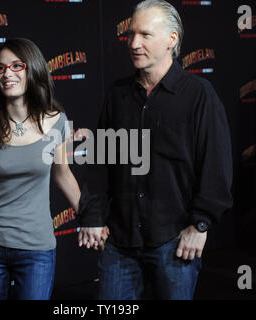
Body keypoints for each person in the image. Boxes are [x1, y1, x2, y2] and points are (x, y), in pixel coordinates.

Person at [78, 0, 233, 300]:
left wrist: (200, 225)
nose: (134, 43)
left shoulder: (199, 95)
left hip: (174, 242)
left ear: (171, 40)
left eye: (146, 35)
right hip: (119, 244)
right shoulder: (117, 95)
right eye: (132, 34)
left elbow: (216, 168)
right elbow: (100, 165)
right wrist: (93, 215)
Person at [0, 38, 81, 300]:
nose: (7, 74)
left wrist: (90, 217)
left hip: (36, 250)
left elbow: (63, 174)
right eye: (0, 68)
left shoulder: (57, 122)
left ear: (32, 69)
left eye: (16, 66)